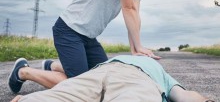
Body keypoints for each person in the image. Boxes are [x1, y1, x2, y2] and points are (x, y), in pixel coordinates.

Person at [8, 0, 164, 93]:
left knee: (104, 78)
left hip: (88, 39)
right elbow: (128, 8)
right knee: (83, 86)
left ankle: (52, 66)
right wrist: (139, 46)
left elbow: (134, 15)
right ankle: (23, 72)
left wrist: (135, 51)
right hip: (69, 30)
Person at [10, 55, 214, 102]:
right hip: (138, 79)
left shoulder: (115, 58)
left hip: (98, 72)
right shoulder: (159, 71)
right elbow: (185, 97)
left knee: (62, 95)